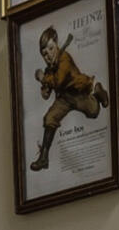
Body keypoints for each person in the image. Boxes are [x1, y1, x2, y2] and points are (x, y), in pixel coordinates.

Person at [30, 23, 111, 171]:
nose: (48, 55)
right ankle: (44, 158)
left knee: (93, 112)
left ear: (57, 44)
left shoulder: (64, 59)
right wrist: (45, 90)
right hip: (64, 98)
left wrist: (43, 79)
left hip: (78, 92)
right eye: (44, 54)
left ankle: (98, 93)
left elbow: (58, 80)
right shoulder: (50, 68)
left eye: (51, 49)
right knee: (49, 118)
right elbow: (48, 91)